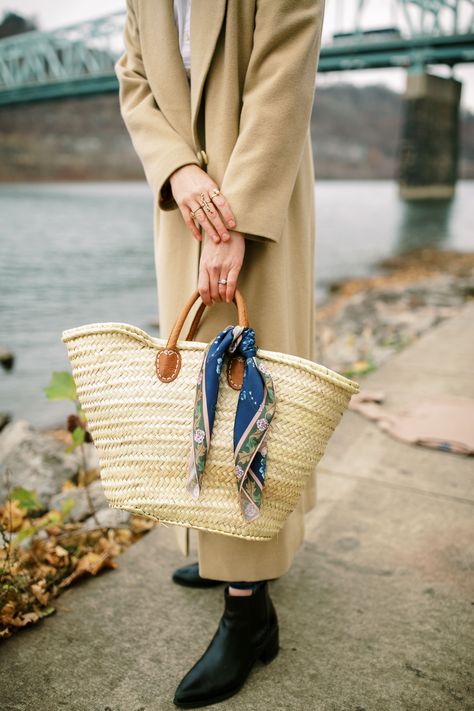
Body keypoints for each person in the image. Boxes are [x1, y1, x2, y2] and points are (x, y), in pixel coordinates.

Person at [115, 0, 326, 707]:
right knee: (202, 392)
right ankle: (224, 551)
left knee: (250, 389)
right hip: (186, 207)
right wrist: (174, 169)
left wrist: (237, 218)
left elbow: (283, 69)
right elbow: (135, 73)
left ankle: (248, 608)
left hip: (254, 195)